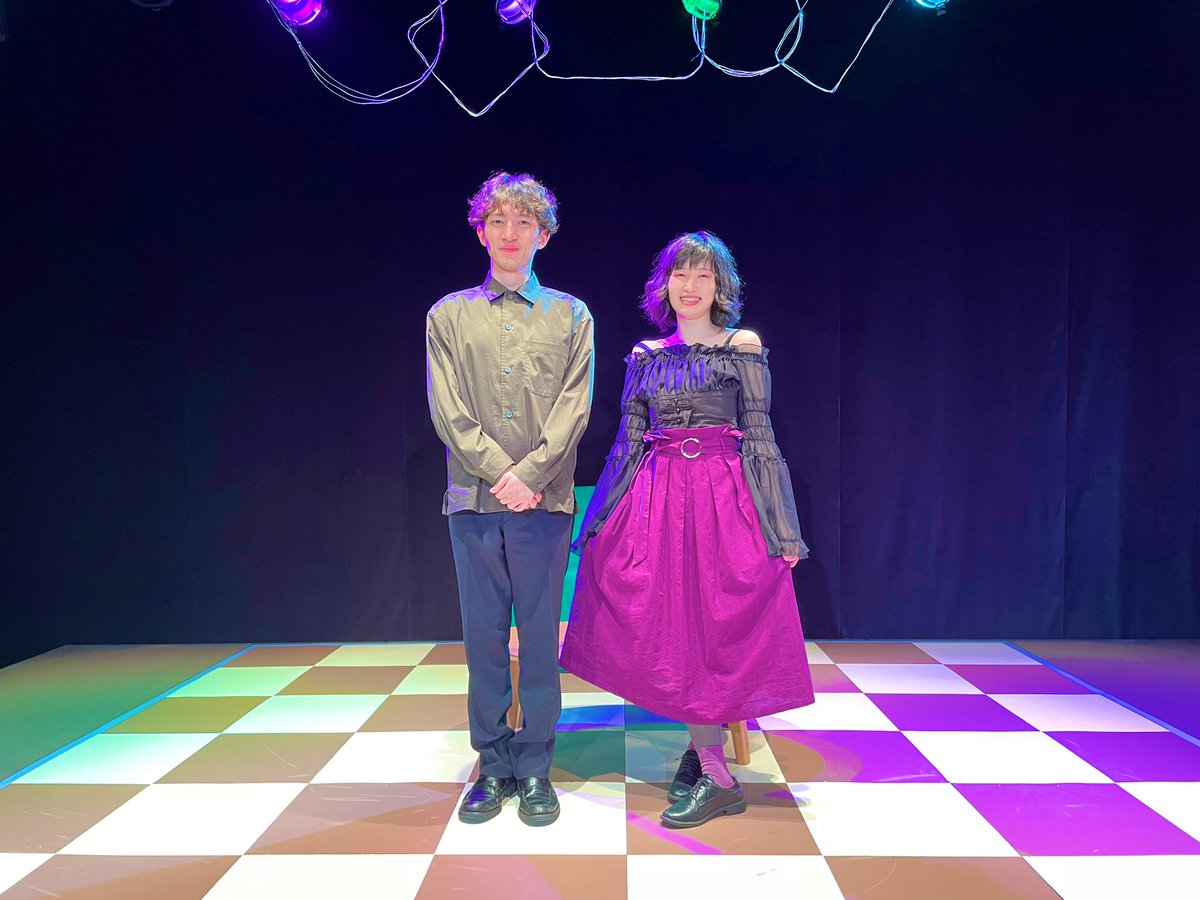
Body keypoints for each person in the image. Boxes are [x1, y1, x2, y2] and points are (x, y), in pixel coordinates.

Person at [560, 230, 813, 828]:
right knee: (671, 626)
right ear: (665, 285)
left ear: (720, 287)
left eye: (703, 275)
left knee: (714, 625)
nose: (691, 285)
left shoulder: (742, 345)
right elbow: (628, 441)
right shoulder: (646, 354)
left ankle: (717, 776)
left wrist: (783, 527)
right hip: (656, 499)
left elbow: (759, 436)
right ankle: (705, 755)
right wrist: (598, 520)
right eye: (680, 274)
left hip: (723, 499)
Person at [426, 172, 594, 827]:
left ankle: (535, 768)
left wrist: (532, 474)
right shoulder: (447, 315)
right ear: (480, 231)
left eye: (524, 222)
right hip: (473, 500)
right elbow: (448, 409)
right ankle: (493, 766)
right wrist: (503, 473)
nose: (510, 233)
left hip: (543, 504)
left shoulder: (572, 315)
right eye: (497, 220)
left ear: (543, 235)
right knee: (484, 639)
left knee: (542, 643)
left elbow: (574, 407)